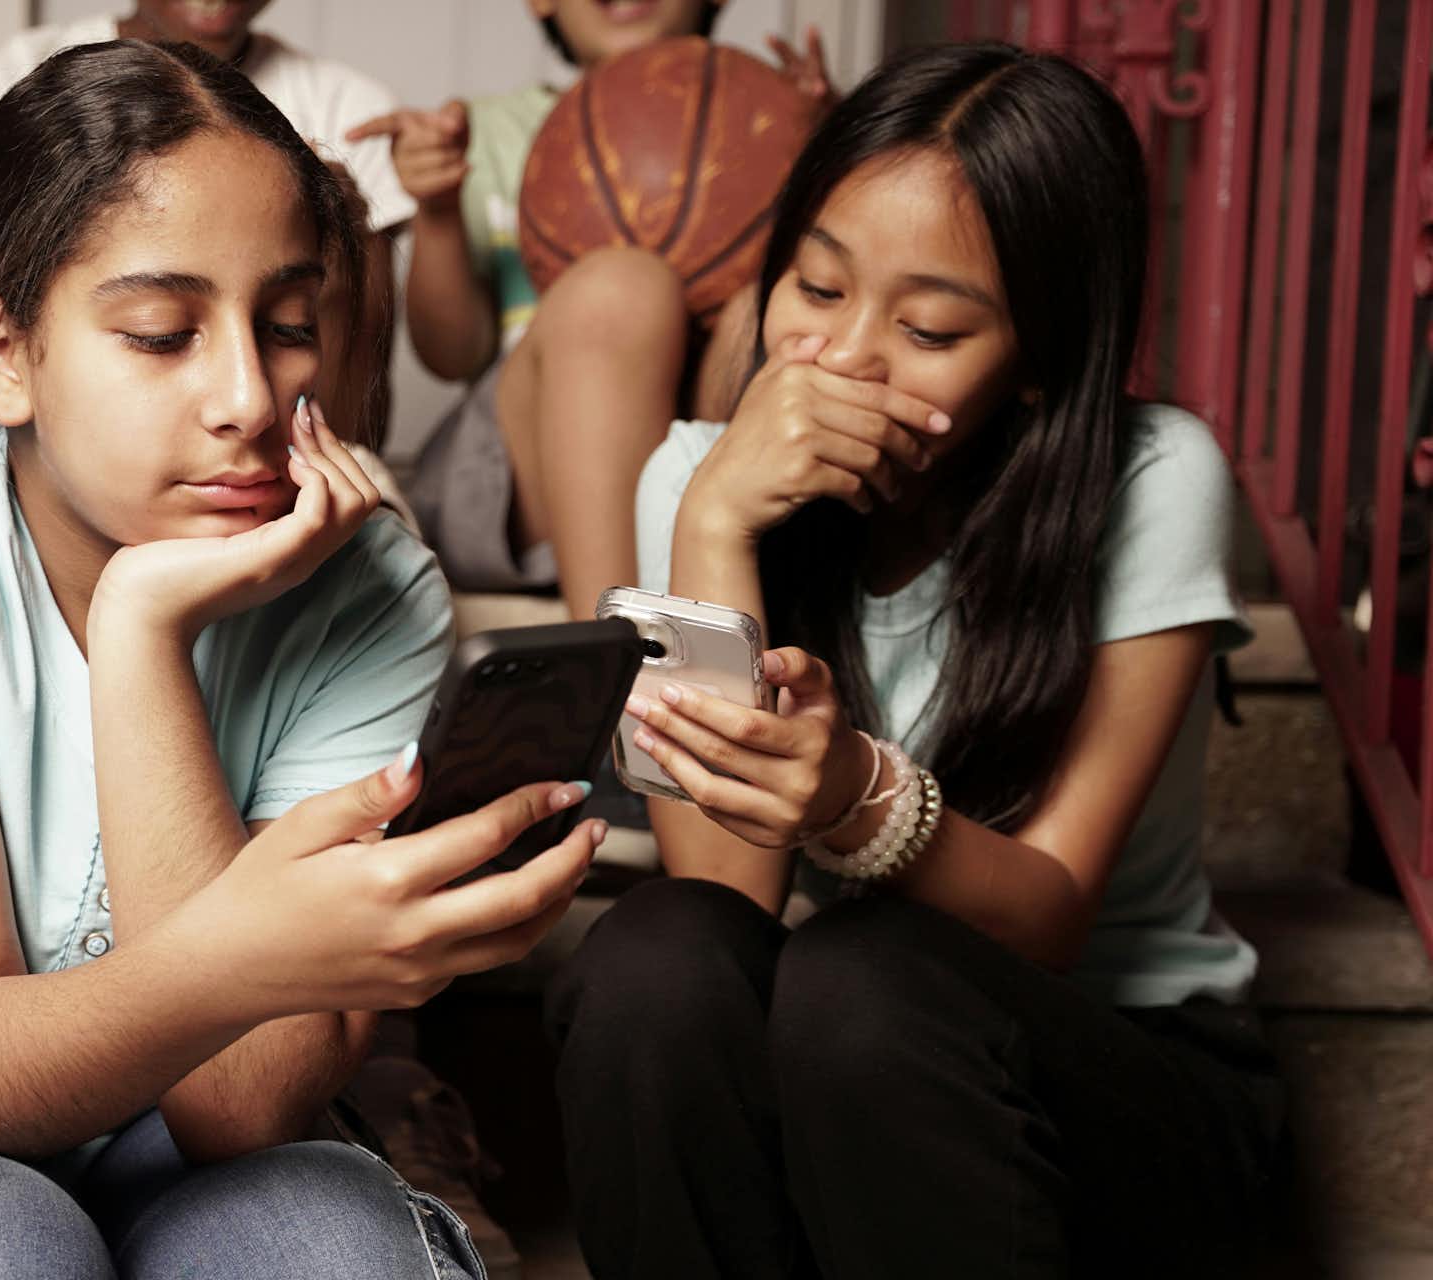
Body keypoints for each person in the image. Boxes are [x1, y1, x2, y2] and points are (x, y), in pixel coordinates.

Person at [0, 40, 607, 1279]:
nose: (249, 393)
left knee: (334, 1256)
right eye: (159, 332)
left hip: (187, 1131)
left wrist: (142, 636)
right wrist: (243, 950)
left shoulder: (375, 587)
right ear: (0, 354)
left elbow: (238, 1102)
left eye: (289, 323)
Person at [549, 43, 1284, 1278]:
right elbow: (725, 909)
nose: (840, 358)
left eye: (931, 325)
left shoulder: (1149, 480)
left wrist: (851, 792)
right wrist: (718, 519)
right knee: (653, 954)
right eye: (816, 288)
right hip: (846, 1092)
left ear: (1040, 356)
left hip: (1124, 1079)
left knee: (860, 970)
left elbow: (1049, 916)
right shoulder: (697, 477)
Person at [359, 0, 829, 619]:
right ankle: (619, 662)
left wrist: (824, 150)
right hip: (516, 477)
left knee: (758, 311)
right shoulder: (484, 135)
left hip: (697, 447)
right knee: (621, 289)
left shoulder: (771, 123)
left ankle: (699, 610)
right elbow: (452, 354)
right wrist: (439, 209)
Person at [0, 0, 413, 442]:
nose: (250, 403)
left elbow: (358, 424)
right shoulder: (2, 83)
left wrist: (340, 243)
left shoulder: (351, 116)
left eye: (288, 327)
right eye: (162, 335)